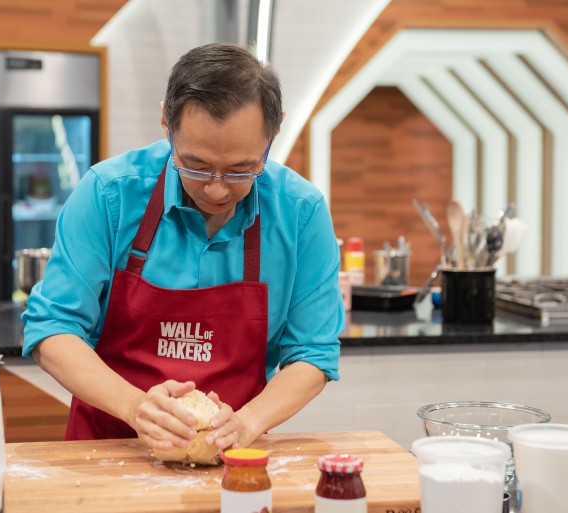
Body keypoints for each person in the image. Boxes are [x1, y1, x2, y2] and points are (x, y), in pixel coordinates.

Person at [22, 42, 345, 454]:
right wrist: (135, 406)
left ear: (274, 130)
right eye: (194, 165)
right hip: (109, 449)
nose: (216, 189)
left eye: (242, 169)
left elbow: (312, 353)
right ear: (165, 122)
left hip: (236, 456)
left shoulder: (301, 213)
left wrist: (247, 424)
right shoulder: (109, 194)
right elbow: (53, 329)